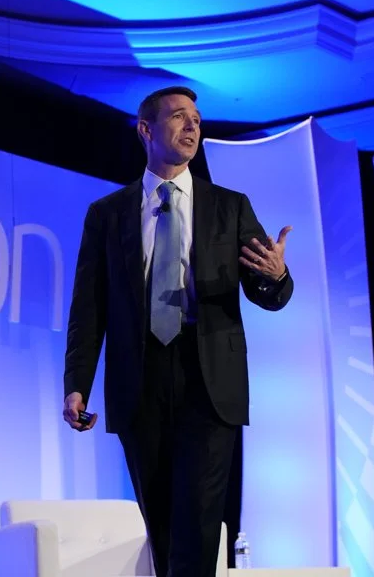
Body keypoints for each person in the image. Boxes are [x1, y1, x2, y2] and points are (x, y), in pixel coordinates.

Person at [62, 86, 294, 577]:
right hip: (140, 381)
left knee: (198, 527)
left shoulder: (229, 207)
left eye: (197, 118)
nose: (193, 127)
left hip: (208, 383)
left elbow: (267, 292)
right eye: (178, 117)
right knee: (164, 530)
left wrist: (276, 277)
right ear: (145, 130)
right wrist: (76, 384)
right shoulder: (107, 214)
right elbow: (89, 307)